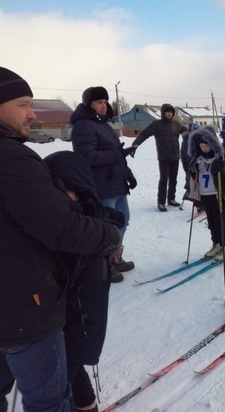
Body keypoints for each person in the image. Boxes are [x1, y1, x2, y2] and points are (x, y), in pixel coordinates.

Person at [0, 67, 120, 411]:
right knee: (48, 400)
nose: (32, 113)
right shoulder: (11, 157)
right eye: (24, 104)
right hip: (24, 309)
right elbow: (61, 227)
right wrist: (108, 236)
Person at [44, 151, 125, 412]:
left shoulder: (85, 229)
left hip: (79, 319)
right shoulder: (66, 219)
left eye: (64, 190)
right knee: (68, 368)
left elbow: (89, 288)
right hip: (62, 317)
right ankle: (87, 405)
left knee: (63, 373)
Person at [71, 86, 136, 282]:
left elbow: (118, 154)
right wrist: (117, 155)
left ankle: (114, 258)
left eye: (105, 102)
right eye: (99, 102)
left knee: (122, 221)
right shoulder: (83, 126)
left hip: (116, 183)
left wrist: (128, 173)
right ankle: (103, 265)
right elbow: (86, 156)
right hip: (101, 185)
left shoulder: (104, 125)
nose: (104, 106)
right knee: (107, 226)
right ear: (88, 104)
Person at [188, 127, 225, 260]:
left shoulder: (221, 156)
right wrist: (192, 170)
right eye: (201, 146)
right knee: (212, 222)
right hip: (204, 193)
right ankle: (216, 244)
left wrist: (220, 168)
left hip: (217, 194)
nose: (204, 149)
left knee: (220, 222)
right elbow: (191, 173)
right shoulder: (197, 158)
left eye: (207, 146)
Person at [132, 103, 187, 211]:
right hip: (164, 157)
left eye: (171, 112)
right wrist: (135, 144)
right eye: (167, 112)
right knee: (164, 179)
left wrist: (190, 135)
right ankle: (161, 202)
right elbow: (144, 134)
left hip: (175, 156)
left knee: (173, 179)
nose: (169, 114)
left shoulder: (176, 124)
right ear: (163, 113)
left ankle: (171, 198)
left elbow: (186, 131)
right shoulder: (157, 124)